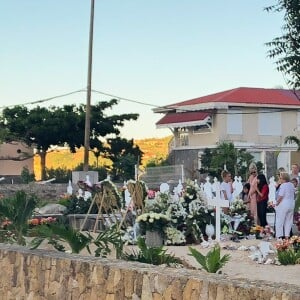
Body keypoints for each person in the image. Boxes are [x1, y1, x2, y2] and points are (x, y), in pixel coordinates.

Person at [275, 172, 295, 239]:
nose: (280, 179)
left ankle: (279, 236)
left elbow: (280, 196)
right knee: (289, 221)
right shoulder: (292, 185)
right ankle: (287, 236)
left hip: (283, 204)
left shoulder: (283, 185)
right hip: (291, 204)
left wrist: (276, 203)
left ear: (284, 179)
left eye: (281, 178)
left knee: (280, 220)